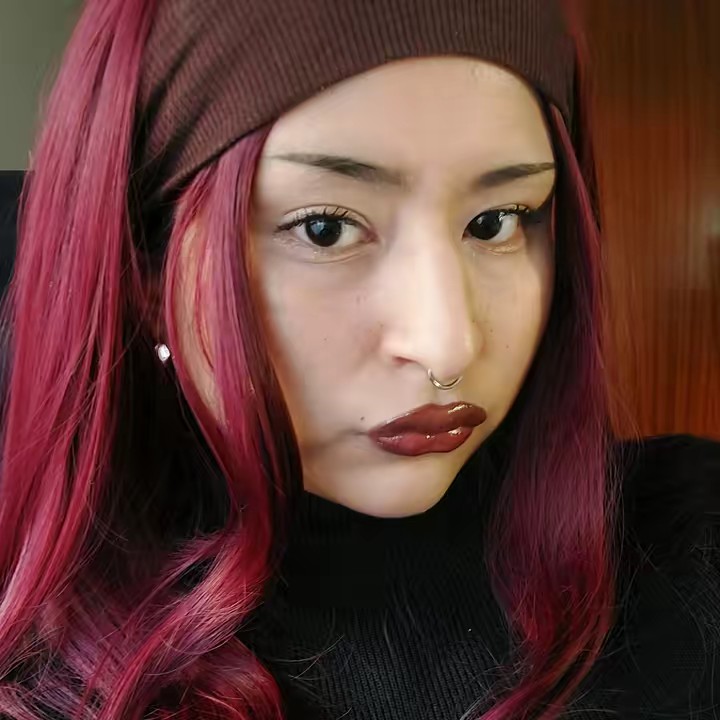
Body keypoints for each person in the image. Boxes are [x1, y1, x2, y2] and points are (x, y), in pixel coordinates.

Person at [0, 0, 718, 718]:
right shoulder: (40, 671)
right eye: (325, 229)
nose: (447, 345)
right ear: (146, 272)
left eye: (496, 223)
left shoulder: (689, 549)